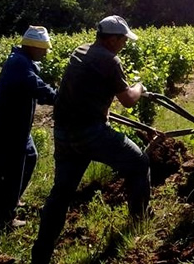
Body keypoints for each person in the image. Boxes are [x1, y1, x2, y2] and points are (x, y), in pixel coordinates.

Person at [32, 15, 150, 264]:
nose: (125, 44)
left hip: (64, 132)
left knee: (61, 193)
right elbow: (128, 100)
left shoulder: (81, 50)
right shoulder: (110, 59)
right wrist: (140, 87)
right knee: (138, 163)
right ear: (112, 39)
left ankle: (40, 254)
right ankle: (140, 221)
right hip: (90, 132)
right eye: (123, 40)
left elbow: (84, 87)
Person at [0, 26, 57, 229]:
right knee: (8, 173)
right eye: (44, 49)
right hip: (5, 129)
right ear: (34, 46)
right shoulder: (19, 65)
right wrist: (61, 98)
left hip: (17, 127)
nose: (46, 53)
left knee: (30, 157)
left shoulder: (23, 60)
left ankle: (12, 199)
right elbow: (39, 89)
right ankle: (4, 219)